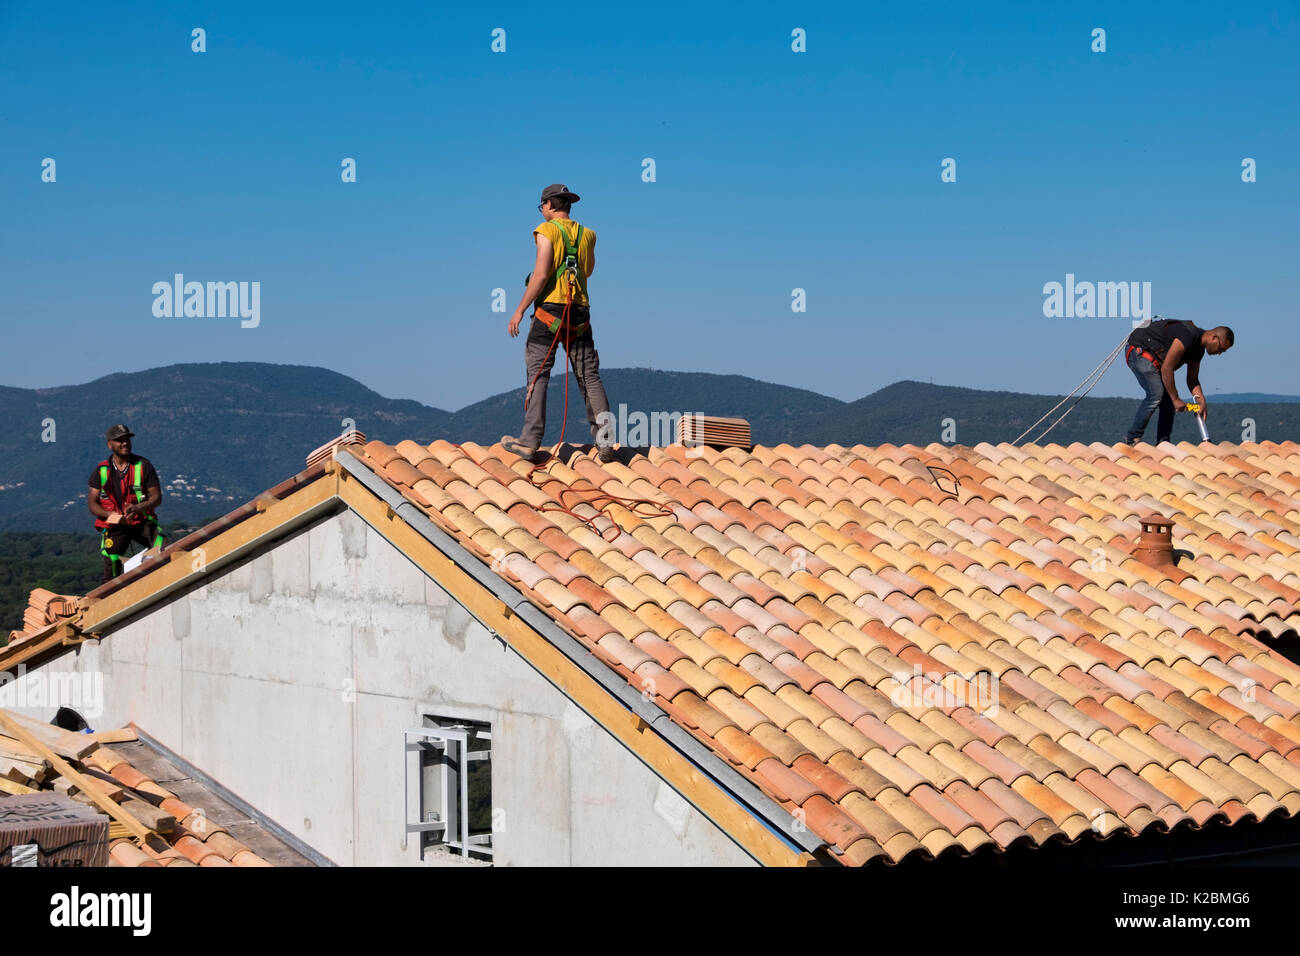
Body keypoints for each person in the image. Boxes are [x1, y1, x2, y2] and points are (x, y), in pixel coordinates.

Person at [503, 183, 615, 464]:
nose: (541, 210)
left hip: (549, 312)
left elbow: (541, 275)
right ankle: (605, 441)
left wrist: (518, 310)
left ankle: (529, 442)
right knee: (589, 376)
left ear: (549, 205)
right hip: (580, 313)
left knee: (539, 373)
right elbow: (587, 271)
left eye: (541, 206)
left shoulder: (546, 231)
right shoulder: (588, 235)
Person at [1124, 320, 1234, 445]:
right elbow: (1167, 368)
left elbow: (1192, 379)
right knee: (1156, 394)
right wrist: (1176, 399)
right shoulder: (1187, 336)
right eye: (1221, 349)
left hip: (1156, 362)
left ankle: (1163, 443)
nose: (1219, 353)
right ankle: (1133, 438)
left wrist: (1201, 400)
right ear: (1214, 338)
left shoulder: (1198, 351)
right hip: (1139, 351)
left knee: (1168, 403)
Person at [87, 424, 164, 582]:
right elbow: (92, 504)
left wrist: (138, 507)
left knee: (162, 547)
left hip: (140, 520)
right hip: (116, 525)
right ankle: (110, 596)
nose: (125, 443)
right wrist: (109, 515)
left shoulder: (143, 465)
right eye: (119, 440)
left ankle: (158, 581)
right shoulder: (101, 471)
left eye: (127, 439)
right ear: (110, 444)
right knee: (112, 560)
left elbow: (157, 497)